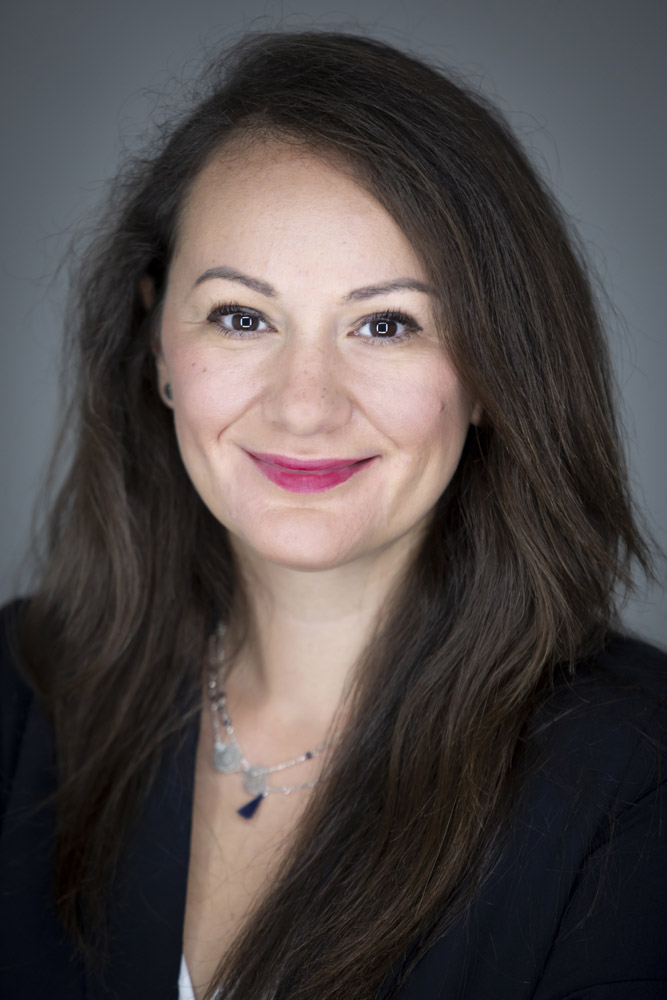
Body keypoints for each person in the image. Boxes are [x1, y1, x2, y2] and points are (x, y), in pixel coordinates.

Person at [1, 29, 666, 1000]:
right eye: (241, 317)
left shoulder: (635, 781)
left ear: (491, 372)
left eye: (386, 324)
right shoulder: (18, 696)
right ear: (157, 346)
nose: (304, 405)